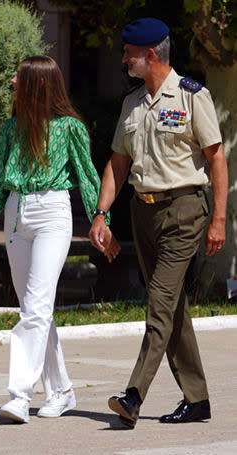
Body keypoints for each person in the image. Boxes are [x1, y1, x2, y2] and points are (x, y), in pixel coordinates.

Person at [89, 18, 228, 429]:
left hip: (184, 210)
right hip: (143, 213)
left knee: (159, 305)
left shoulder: (191, 97)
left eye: (129, 53)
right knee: (173, 308)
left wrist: (218, 218)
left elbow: (216, 157)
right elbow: (118, 162)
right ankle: (197, 399)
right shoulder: (131, 103)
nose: (124, 59)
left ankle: (133, 395)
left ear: (149, 55)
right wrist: (101, 214)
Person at [0, 56, 119, 423]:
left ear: (36, 83)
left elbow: (87, 176)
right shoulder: (10, 129)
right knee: (36, 309)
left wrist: (102, 219)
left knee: (35, 308)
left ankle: (19, 396)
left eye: (18, 77)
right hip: (17, 215)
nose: (11, 82)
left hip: (53, 212)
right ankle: (62, 391)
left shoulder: (70, 128)